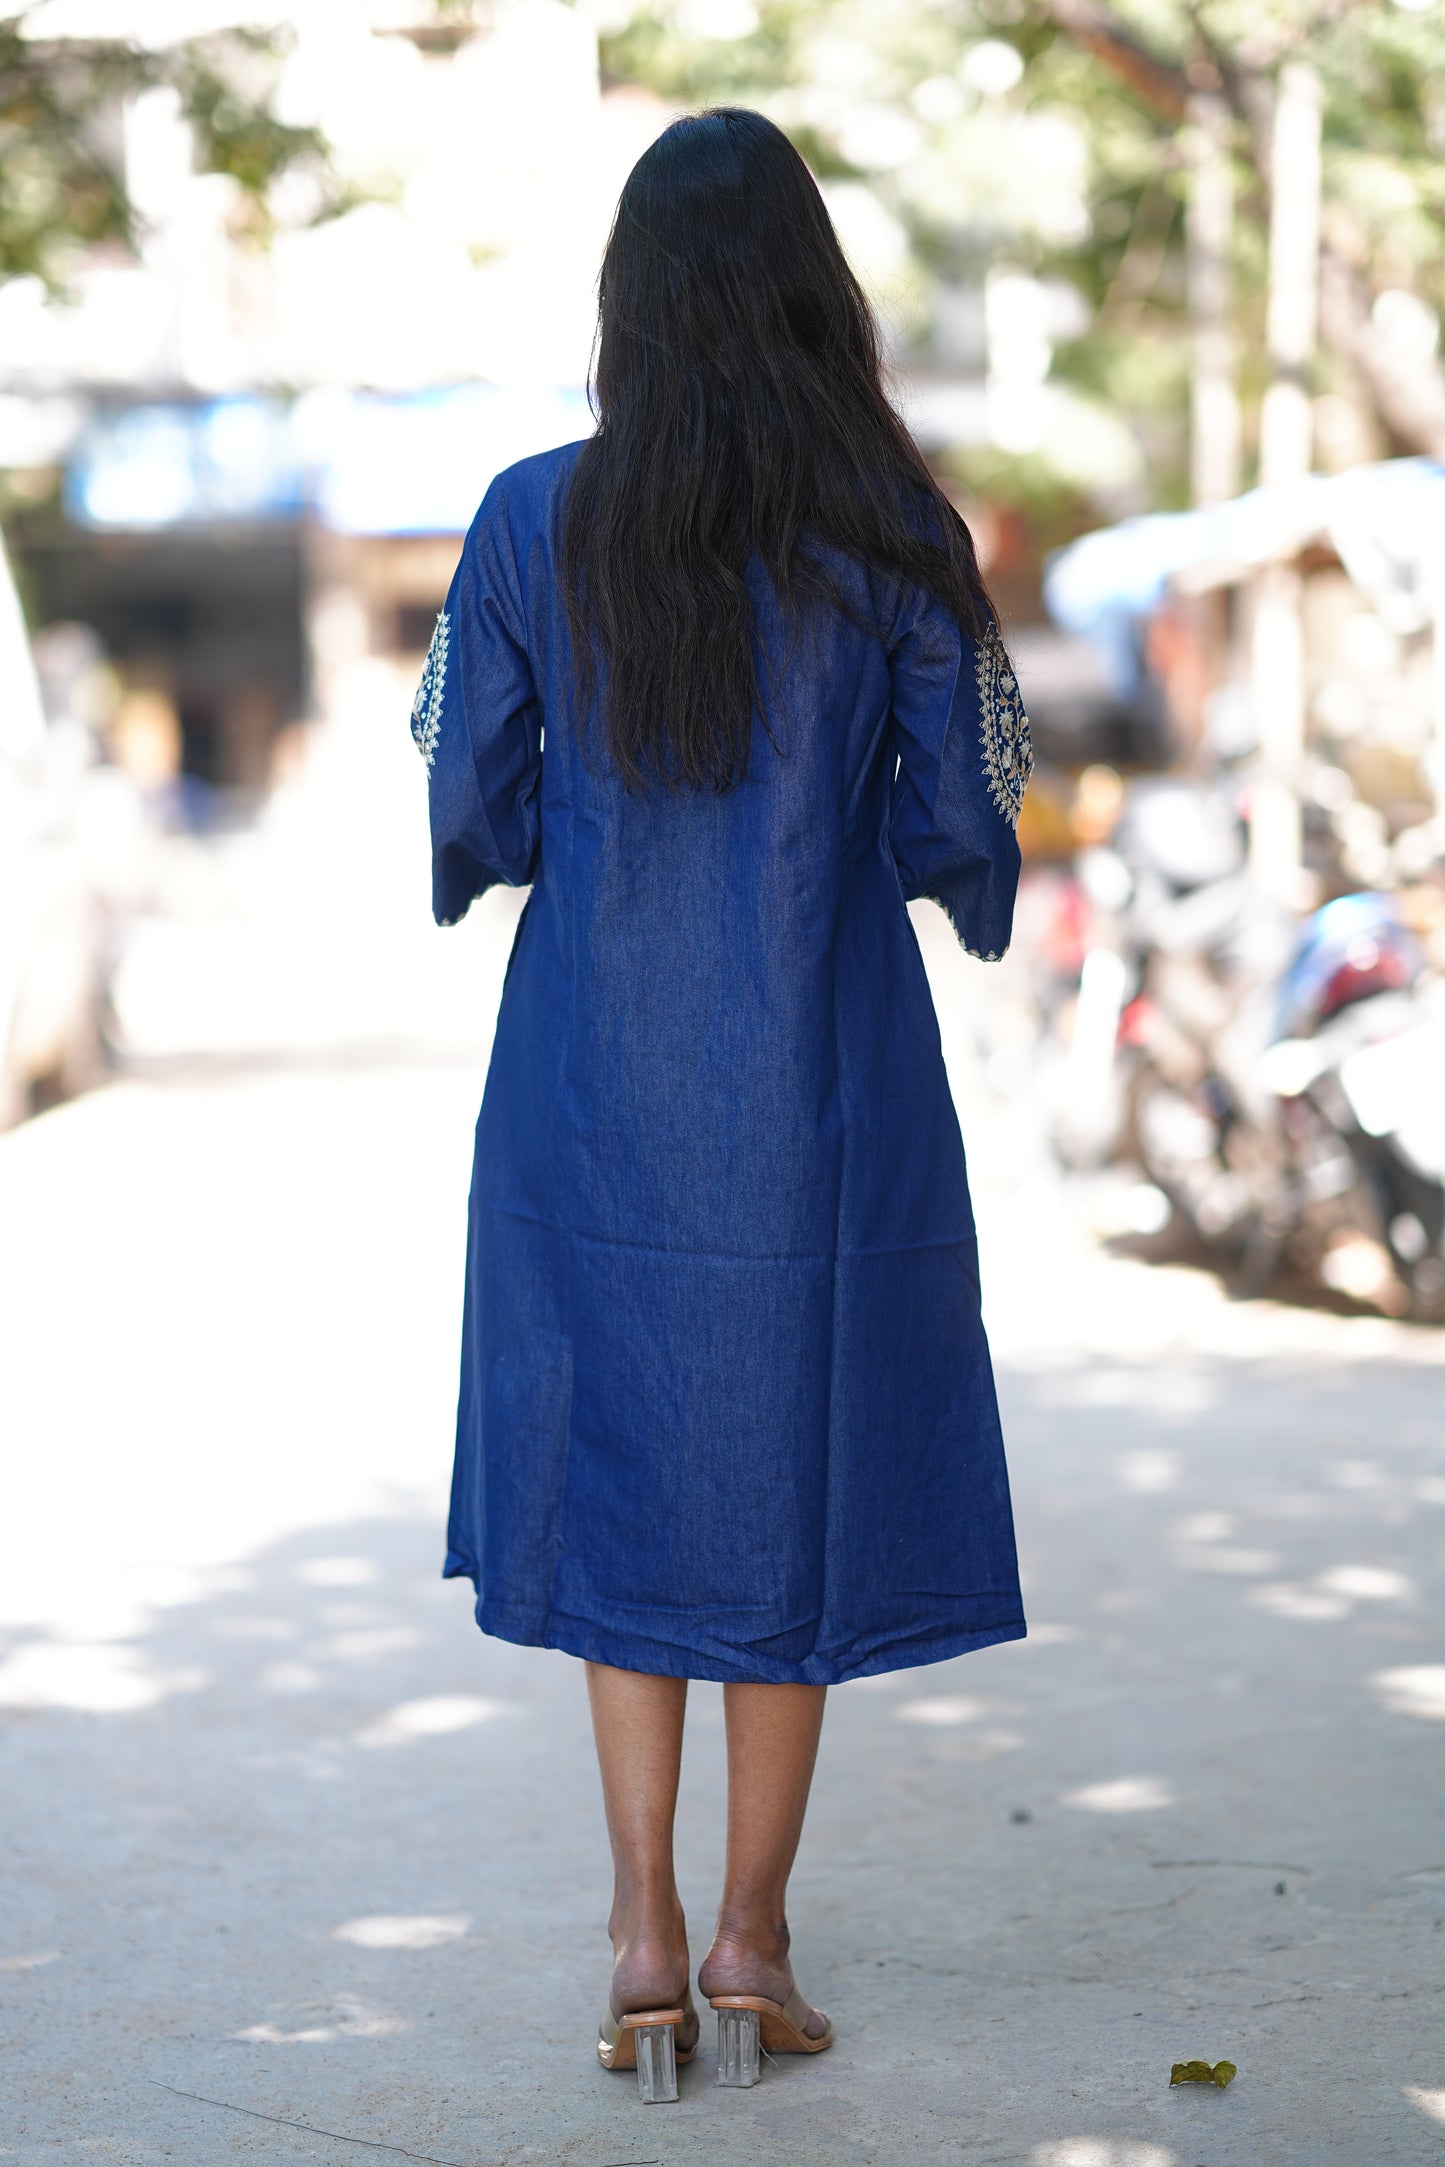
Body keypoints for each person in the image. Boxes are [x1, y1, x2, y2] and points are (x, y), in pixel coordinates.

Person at [412, 107, 1030, 2100]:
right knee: (787, 1487)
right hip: (823, 1091)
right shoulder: (896, 534)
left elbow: (471, 802)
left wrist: (567, 828)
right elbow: (966, 817)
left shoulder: (524, 521)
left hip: (594, 1092)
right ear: (811, 293)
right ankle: (761, 1935)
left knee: (625, 1491)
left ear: (632, 301)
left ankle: (643, 1940)